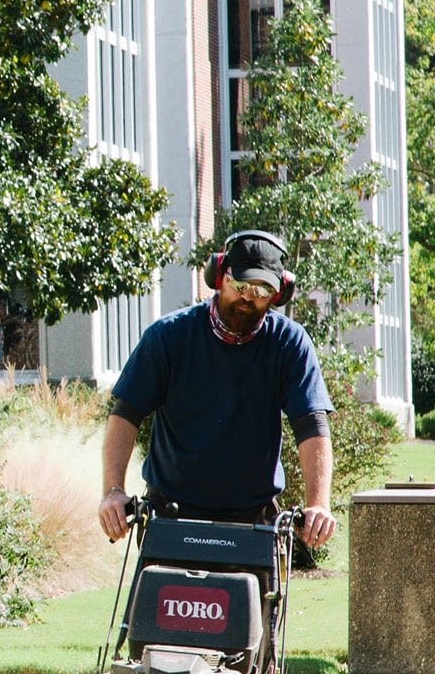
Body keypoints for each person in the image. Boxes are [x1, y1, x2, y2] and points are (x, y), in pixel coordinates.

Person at [95, 230, 337, 549]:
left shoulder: (289, 344)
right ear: (219, 276)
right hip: (170, 515)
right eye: (240, 286)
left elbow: (311, 425)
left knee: (253, 600)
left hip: (253, 521)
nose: (248, 298)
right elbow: (126, 414)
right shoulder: (168, 337)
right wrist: (113, 491)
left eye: (262, 290)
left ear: (279, 295)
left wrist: (318, 503)